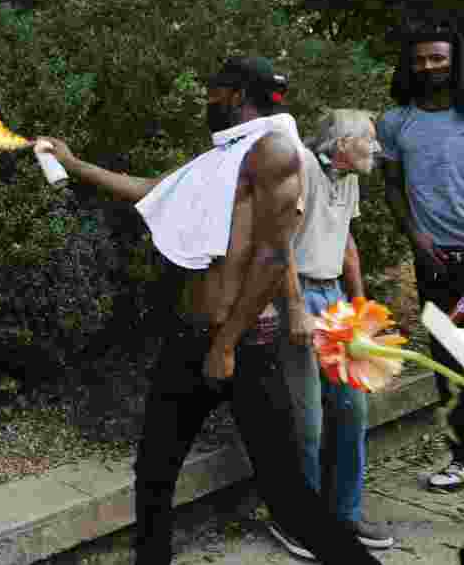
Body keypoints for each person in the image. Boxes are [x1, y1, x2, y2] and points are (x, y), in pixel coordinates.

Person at [37, 57, 380, 565]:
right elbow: (155, 189)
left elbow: (271, 255)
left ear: (237, 95)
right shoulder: (225, 158)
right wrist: (76, 165)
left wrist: (224, 347)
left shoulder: (275, 151)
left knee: (287, 492)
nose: (207, 101)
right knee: (155, 469)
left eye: (212, 93)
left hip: (240, 344)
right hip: (190, 337)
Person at [266, 109, 394, 559]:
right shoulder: (301, 167)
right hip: (295, 294)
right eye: (370, 140)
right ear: (341, 144)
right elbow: (277, 243)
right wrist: (296, 306)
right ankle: (298, 519)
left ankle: (345, 512)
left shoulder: (350, 177)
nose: (377, 148)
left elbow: (347, 243)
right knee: (309, 421)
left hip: (334, 296)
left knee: (352, 408)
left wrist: (361, 308)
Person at [379, 16, 464, 490]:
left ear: (454, 61)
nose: (428, 67)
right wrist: (415, 236)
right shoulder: (396, 122)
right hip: (435, 258)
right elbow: (393, 187)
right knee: (450, 355)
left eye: (437, 58)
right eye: (419, 60)